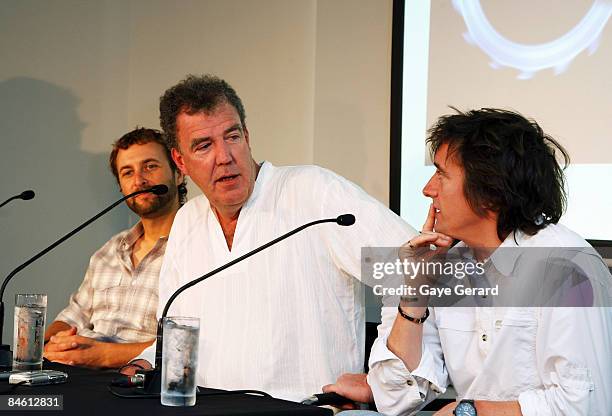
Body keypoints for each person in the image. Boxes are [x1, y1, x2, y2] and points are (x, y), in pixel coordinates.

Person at [131, 74, 417, 401]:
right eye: (204, 145)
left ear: (247, 137)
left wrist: (385, 379)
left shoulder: (314, 192)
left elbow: (424, 272)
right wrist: (147, 360)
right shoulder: (187, 220)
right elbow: (176, 328)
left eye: (232, 136)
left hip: (307, 409)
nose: (224, 156)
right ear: (180, 160)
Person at [324, 108, 612, 415]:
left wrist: (471, 411)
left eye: (441, 174)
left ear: (491, 192)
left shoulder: (567, 266)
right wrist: (415, 290)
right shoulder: (442, 262)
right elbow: (395, 399)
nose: (427, 189)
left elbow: (585, 406)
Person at [43, 128, 186, 369]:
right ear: (121, 186)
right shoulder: (109, 251)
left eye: (150, 166)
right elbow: (71, 317)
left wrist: (103, 355)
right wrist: (51, 343)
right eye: (127, 172)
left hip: (138, 382)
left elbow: (183, 342)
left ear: (179, 173)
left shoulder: (197, 247)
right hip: (78, 373)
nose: (139, 180)